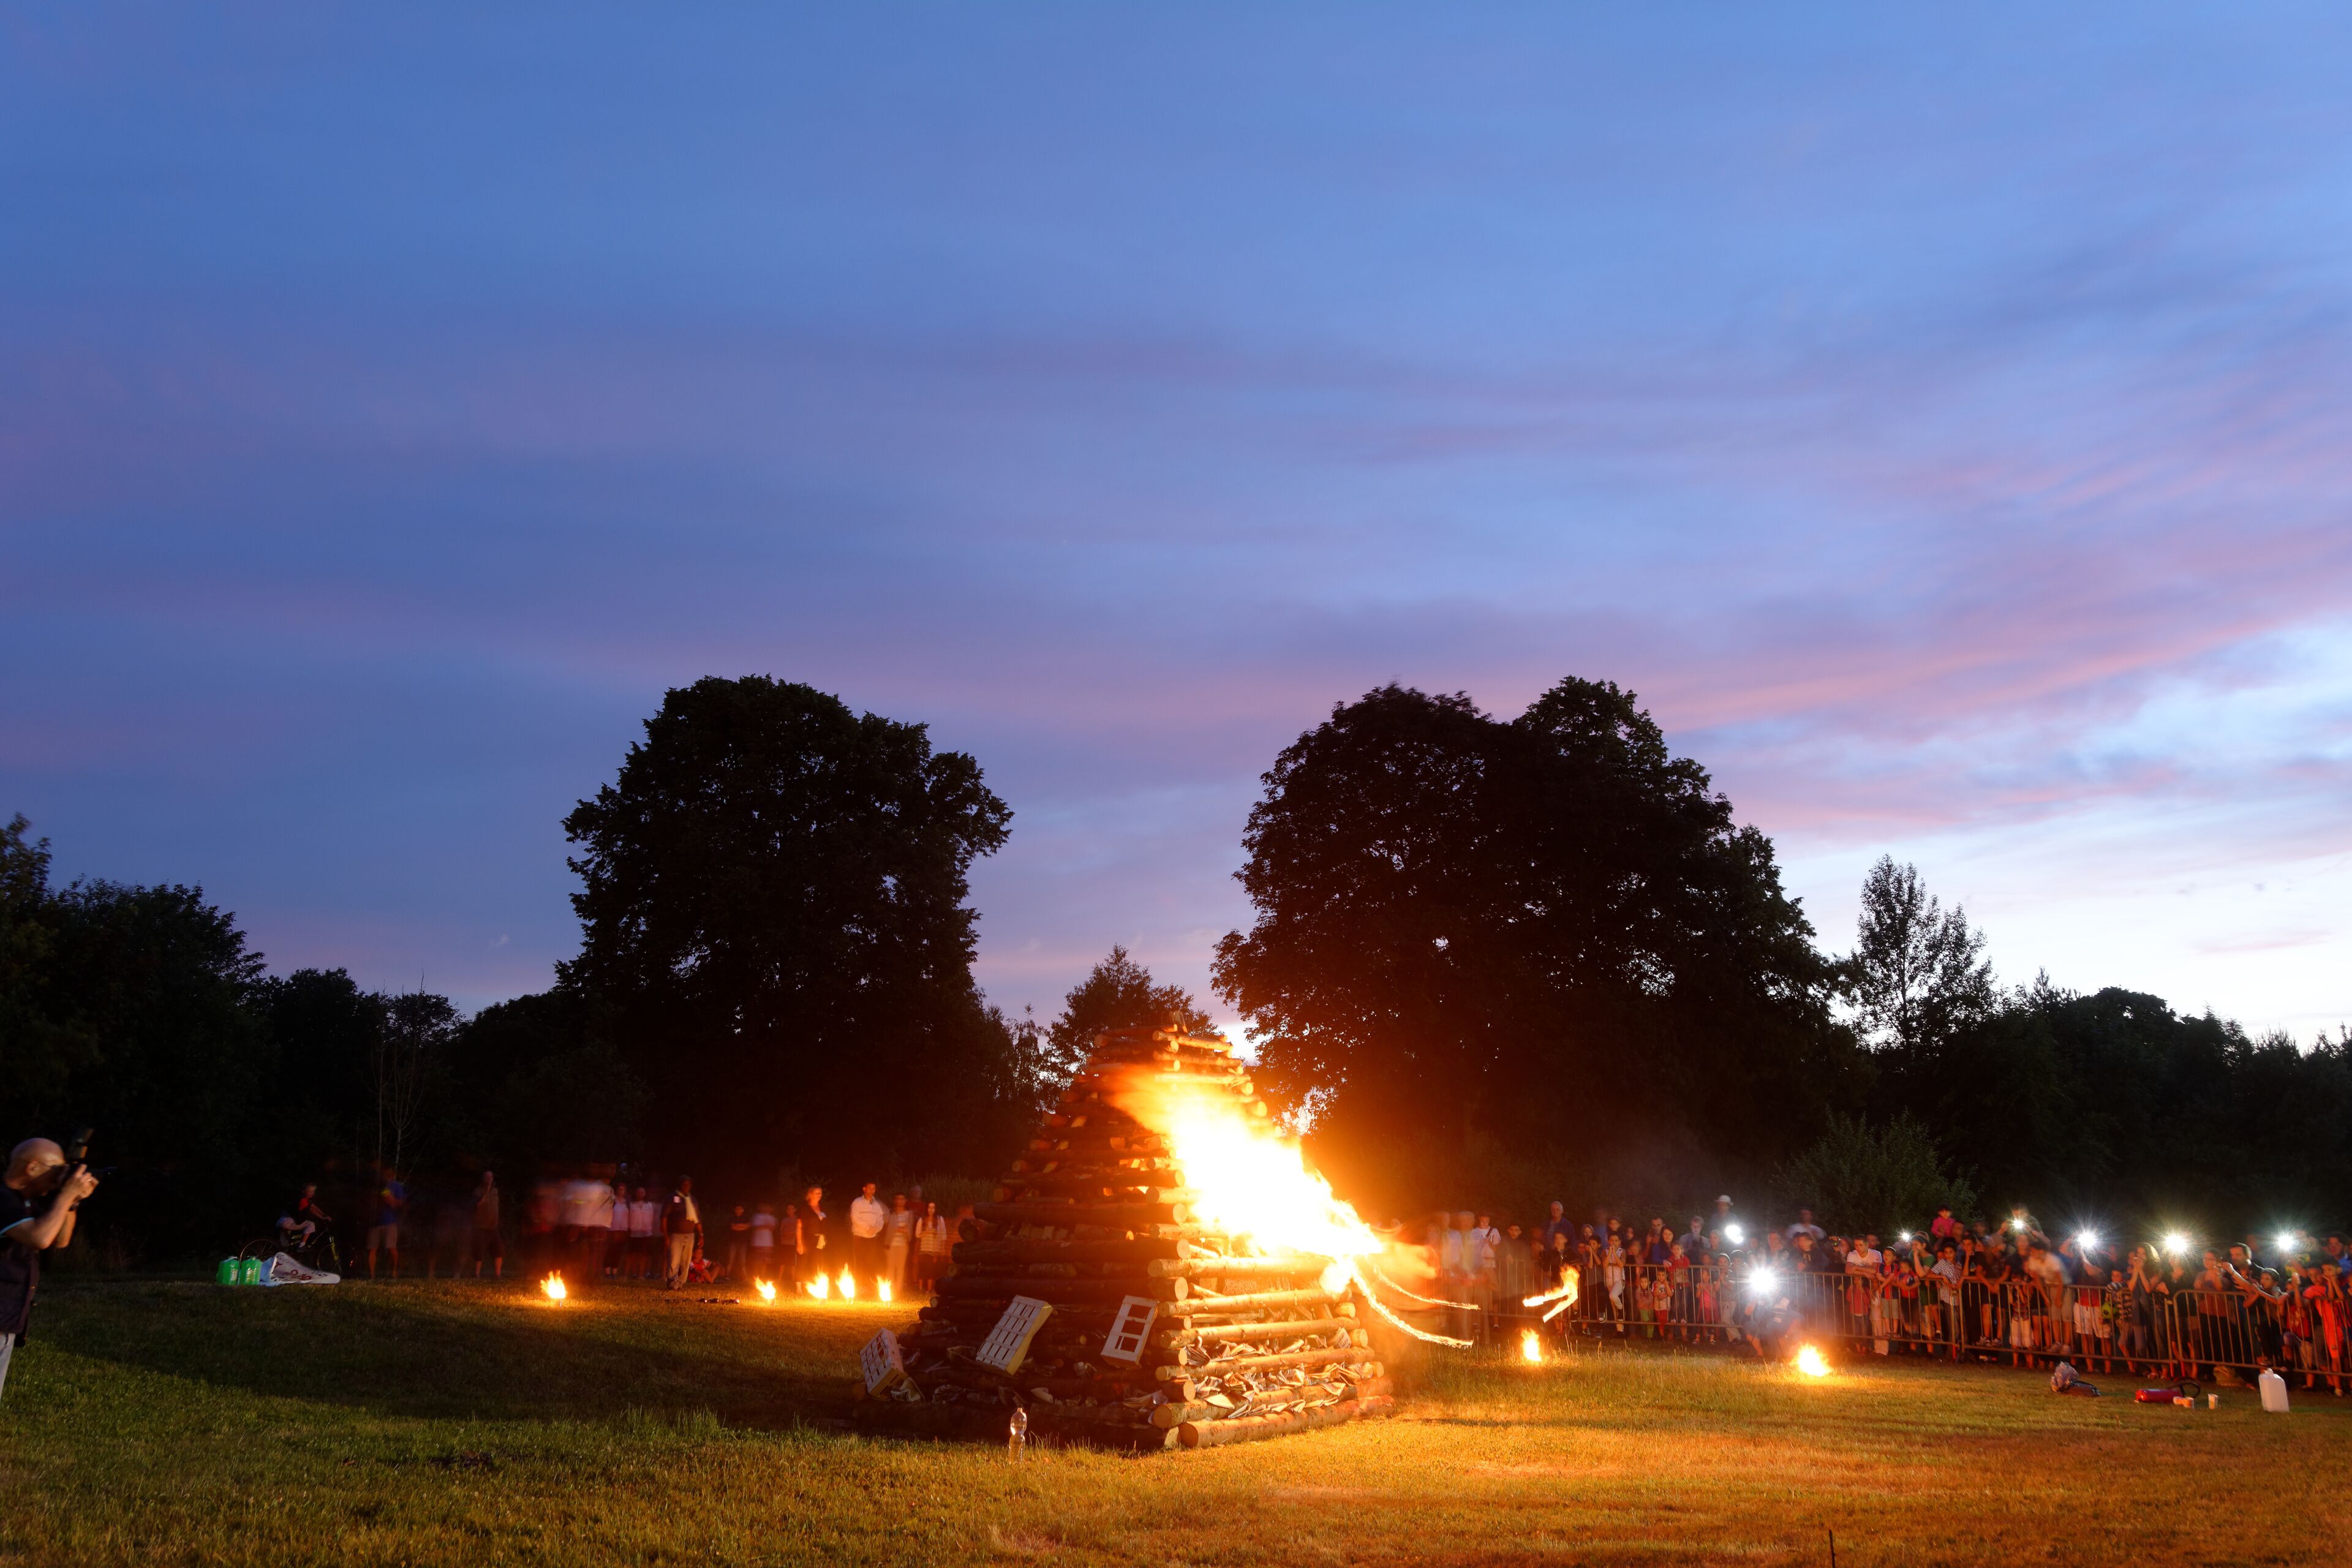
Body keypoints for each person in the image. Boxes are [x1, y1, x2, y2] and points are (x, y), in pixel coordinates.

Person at [0, 1139, 100, 1398]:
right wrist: (66, 1194)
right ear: (33, 1167)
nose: (58, 1178)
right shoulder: (2, 1200)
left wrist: (72, 1201)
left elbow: (60, 1239)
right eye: (55, 1171)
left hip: (7, 1319)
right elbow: (40, 1237)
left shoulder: (26, 1203)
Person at [848, 1183, 888, 1295]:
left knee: (871, 1263)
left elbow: (881, 1220)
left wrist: (875, 1229)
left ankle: (869, 1286)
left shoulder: (876, 1205)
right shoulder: (857, 1202)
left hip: (872, 1238)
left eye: (874, 1188)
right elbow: (855, 1217)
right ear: (864, 1189)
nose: (872, 1190)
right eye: (869, 1188)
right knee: (860, 1263)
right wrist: (867, 1227)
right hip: (860, 1237)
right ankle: (859, 1286)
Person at [367, 1163, 405, 1279]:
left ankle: (394, 1272)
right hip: (375, 1221)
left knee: (392, 1248)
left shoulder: (395, 1186)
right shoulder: (377, 1185)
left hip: (390, 1221)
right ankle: (372, 1275)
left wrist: (392, 1201)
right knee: (373, 1248)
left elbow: (399, 1202)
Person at [663, 1178, 702, 1290]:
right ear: (680, 1185)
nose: (686, 1186)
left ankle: (680, 1283)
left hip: (690, 1234)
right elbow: (664, 1217)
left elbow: (698, 1219)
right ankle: (672, 1282)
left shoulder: (692, 1200)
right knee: (674, 1259)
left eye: (688, 1184)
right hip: (676, 1234)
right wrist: (666, 1235)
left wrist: (701, 1235)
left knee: (686, 1260)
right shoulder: (672, 1198)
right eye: (684, 1184)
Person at [471, 1172, 503, 1279]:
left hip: (493, 1227)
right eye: (487, 1177)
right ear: (483, 1179)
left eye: (491, 1177)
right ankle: (476, 1274)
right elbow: (477, 1206)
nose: (489, 1179)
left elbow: (496, 1207)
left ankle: (498, 1275)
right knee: (479, 1251)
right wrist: (486, 1192)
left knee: (499, 1250)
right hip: (481, 1227)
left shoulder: (495, 1192)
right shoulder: (478, 1191)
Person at [882, 1193, 915, 1297]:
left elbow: (909, 1229)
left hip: (903, 1245)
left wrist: (902, 1230)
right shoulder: (891, 1214)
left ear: (905, 1201)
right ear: (895, 1201)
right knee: (890, 1267)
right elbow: (887, 1227)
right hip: (891, 1245)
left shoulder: (909, 1214)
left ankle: (898, 1290)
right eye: (898, 1199)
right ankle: (890, 1290)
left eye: (902, 1199)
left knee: (901, 1268)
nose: (900, 1201)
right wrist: (900, 1229)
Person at [625, 1185, 660, 1279]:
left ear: (645, 1194)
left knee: (643, 1255)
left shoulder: (649, 1205)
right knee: (632, 1254)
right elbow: (629, 1218)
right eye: (639, 1192)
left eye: (642, 1192)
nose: (640, 1194)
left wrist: (649, 1229)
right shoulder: (632, 1205)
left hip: (646, 1233)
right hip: (634, 1232)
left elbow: (651, 1218)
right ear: (636, 1194)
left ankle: (641, 1274)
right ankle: (630, 1273)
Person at [749, 1200, 778, 1282]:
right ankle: (755, 1277)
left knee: (765, 1261)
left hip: (768, 1243)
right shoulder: (757, 1216)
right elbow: (755, 1227)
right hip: (757, 1242)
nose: (766, 1208)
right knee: (756, 1261)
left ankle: (762, 1277)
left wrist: (765, 1226)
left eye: (768, 1207)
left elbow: (772, 1228)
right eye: (764, 1206)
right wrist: (766, 1225)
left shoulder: (772, 1218)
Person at [723, 1204, 753, 1282]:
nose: (738, 1210)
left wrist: (738, 1225)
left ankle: (744, 1277)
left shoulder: (746, 1218)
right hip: (733, 1241)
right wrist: (742, 1227)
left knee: (742, 1261)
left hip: (743, 1242)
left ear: (743, 1210)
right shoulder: (732, 1218)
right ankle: (727, 1275)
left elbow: (748, 1226)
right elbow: (733, 1227)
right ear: (735, 1210)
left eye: (740, 1209)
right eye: (737, 1209)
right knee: (730, 1259)